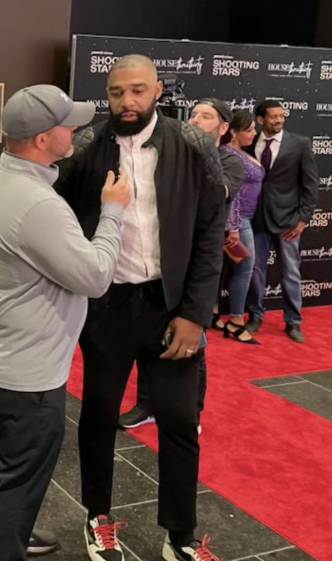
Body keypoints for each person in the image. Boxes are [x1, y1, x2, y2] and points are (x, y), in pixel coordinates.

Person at [55, 55, 226, 561]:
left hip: (171, 305)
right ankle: (98, 516)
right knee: (100, 414)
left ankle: (180, 535)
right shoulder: (85, 145)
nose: (126, 102)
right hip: (107, 306)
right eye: (115, 93)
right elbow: (53, 213)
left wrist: (195, 313)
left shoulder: (192, 143)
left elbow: (210, 230)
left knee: (178, 420)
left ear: (157, 90)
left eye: (136, 91)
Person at [0, 85, 131, 561]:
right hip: (31, 372)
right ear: (43, 139)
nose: (76, 130)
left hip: (12, 360)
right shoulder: (37, 203)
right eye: (68, 124)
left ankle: (1, 535)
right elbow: (95, 276)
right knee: (21, 475)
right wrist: (114, 211)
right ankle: (4, 546)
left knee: (7, 459)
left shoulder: (10, 179)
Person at [118, 97, 241, 431]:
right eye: (195, 114)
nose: (196, 120)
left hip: (197, 264)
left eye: (206, 116)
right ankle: (146, 404)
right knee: (151, 345)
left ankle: (192, 411)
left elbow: (217, 196)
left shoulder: (229, 161)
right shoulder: (171, 153)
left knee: (190, 344)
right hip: (157, 269)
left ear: (224, 127)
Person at [245, 99, 318, 343]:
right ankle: (255, 315)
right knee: (255, 271)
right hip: (256, 219)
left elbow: (310, 185)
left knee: (290, 272)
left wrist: (302, 220)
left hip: (288, 221)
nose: (279, 120)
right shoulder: (249, 142)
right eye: (273, 116)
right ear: (260, 120)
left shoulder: (299, 144)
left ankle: (293, 321)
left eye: (281, 116)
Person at [217, 108, 265, 343]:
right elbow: (231, 193)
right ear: (233, 132)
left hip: (245, 220)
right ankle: (236, 321)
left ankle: (215, 313)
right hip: (239, 222)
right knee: (245, 269)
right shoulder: (228, 155)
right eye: (249, 130)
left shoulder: (239, 152)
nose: (254, 133)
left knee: (224, 268)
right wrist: (233, 226)